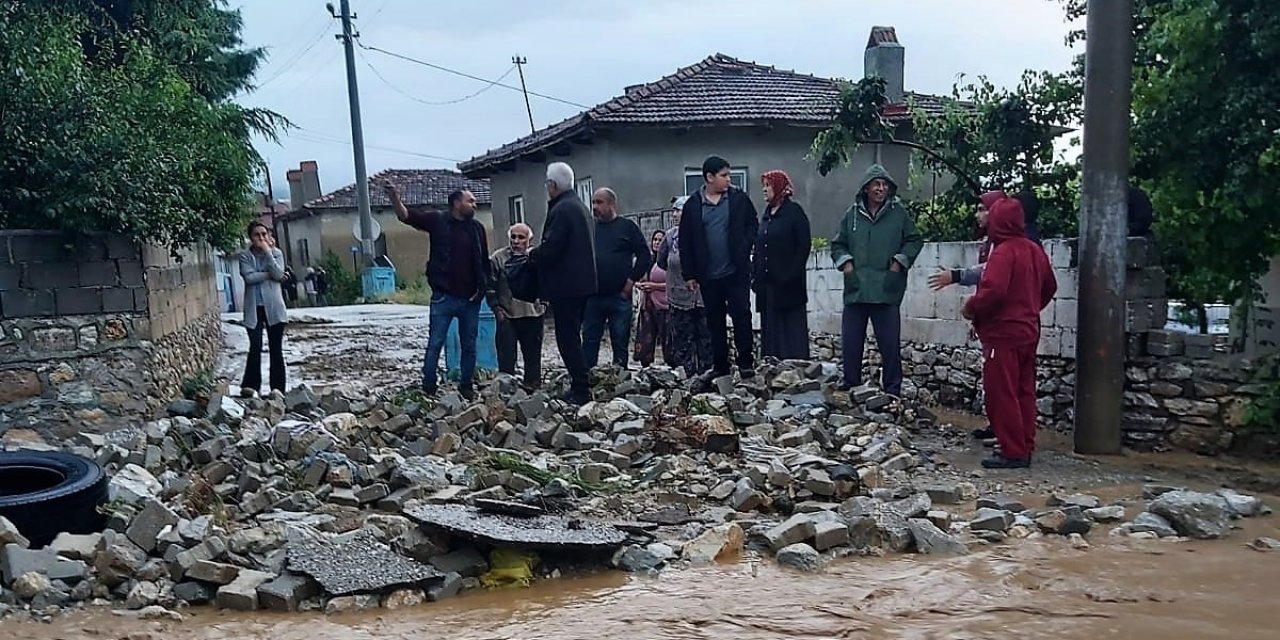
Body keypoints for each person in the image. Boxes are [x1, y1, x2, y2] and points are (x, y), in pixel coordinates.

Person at [961, 198, 1057, 469]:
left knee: (1002, 391)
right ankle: (1024, 444)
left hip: (1002, 333)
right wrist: (1031, 308)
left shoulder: (1003, 252)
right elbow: (1050, 286)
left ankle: (1013, 451)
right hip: (1028, 330)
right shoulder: (1033, 250)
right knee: (1024, 390)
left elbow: (993, 292)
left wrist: (971, 308)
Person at [383, 181, 494, 400]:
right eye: (470, 201)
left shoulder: (476, 229)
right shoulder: (438, 221)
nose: (475, 204)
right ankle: (429, 387)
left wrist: (484, 287)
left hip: (471, 299)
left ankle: (466, 386)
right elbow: (406, 216)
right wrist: (394, 197)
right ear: (457, 203)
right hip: (444, 297)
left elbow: (483, 261)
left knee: (469, 345)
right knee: (435, 343)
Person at [830, 164, 924, 395]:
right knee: (851, 340)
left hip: (886, 288)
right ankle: (850, 382)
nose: (881, 189)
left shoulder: (898, 213)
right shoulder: (852, 214)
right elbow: (838, 244)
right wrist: (846, 264)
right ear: (866, 188)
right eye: (876, 184)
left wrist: (898, 262)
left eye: (884, 185)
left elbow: (914, 240)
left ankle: (892, 389)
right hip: (857, 288)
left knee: (889, 343)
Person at [678, 156, 759, 386]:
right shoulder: (694, 205)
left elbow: (753, 224)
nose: (728, 180)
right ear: (709, 177)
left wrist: (744, 246)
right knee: (714, 322)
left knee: (741, 315)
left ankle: (746, 363)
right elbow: (686, 241)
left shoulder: (738, 199)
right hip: (708, 276)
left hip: (735, 271)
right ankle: (720, 366)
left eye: (729, 175)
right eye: (724, 175)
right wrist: (689, 274)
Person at [531, 162, 596, 405]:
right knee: (572, 337)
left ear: (553, 185)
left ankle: (581, 389)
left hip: (567, 286)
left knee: (567, 339)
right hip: (581, 284)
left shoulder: (562, 209)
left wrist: (533, 255)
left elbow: (552, 248)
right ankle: (580, 384)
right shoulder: (579, 207)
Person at [583, 187, 652, 368]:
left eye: (599, 202)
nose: (595, 207)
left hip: (619, 295)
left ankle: (619, 376)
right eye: (593, 202)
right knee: (589, 340)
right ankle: (587, 377)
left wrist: (631, 281)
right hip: (593, 296)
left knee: (620, 340)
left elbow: (645, 256)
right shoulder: (589, 228)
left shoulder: (627, 227)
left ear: (612, 204)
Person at [753, 170, 812, 360]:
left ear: (778, 187)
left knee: (791, 334)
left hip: (789, 286)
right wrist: (756, 275)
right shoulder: (766, 216)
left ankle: (794, 368)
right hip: (768, 288)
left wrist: (790, 274)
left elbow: (803, 246)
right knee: (771, 333)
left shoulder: (794, 213)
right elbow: (760, 248)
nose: (764, 190)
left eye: (768, 185)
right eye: (764, 186)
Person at [659, 197, 713, 378]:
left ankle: (707, 376)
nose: (675, 214)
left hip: (704, 298)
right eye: (674, 210)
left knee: (706, 340)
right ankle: (686, 378)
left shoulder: (707, 233)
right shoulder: (670, 237)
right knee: (682, 341)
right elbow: (662, 261)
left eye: (679, 210)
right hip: (679, 298)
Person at [491, 223, 546, 389]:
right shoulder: (498, 258)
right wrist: (497, 309)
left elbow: (548, 281)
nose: (516, 241)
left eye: (521, 237)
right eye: (513, 237)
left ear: (529, 240)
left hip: (533, 314)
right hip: (507, 315)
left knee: (532, 358)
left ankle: (533, 390)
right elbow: (490, 285)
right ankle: (505, 390)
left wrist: (545, 303)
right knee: (506, 358)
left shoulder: (538, 257)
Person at [239, 221, 288, 396]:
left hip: (274, 308)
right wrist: (269, 274)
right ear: (251, 238)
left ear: (269, 236)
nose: (261, 238)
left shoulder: (276, 253)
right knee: (255, 346)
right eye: (257, 235)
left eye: (264, 234)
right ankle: (251, 386)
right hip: (254, 308)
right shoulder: (245, 257)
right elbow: (249, 278)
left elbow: (279, 274)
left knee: (276, 348)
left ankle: (278, 388)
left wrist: (267, 252)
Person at [634, 229, 673, 367]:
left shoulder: (669, 261)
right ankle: (645, 364)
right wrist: (640, 285)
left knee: (668, 338)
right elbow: (637, 278)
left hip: (664, 304)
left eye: (660, 240)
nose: (657, 243)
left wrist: (654, 286)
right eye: (655, 240)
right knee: (645, 337)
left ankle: (672, 364)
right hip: (647, 303)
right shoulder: (647, 261)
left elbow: (673, 283)